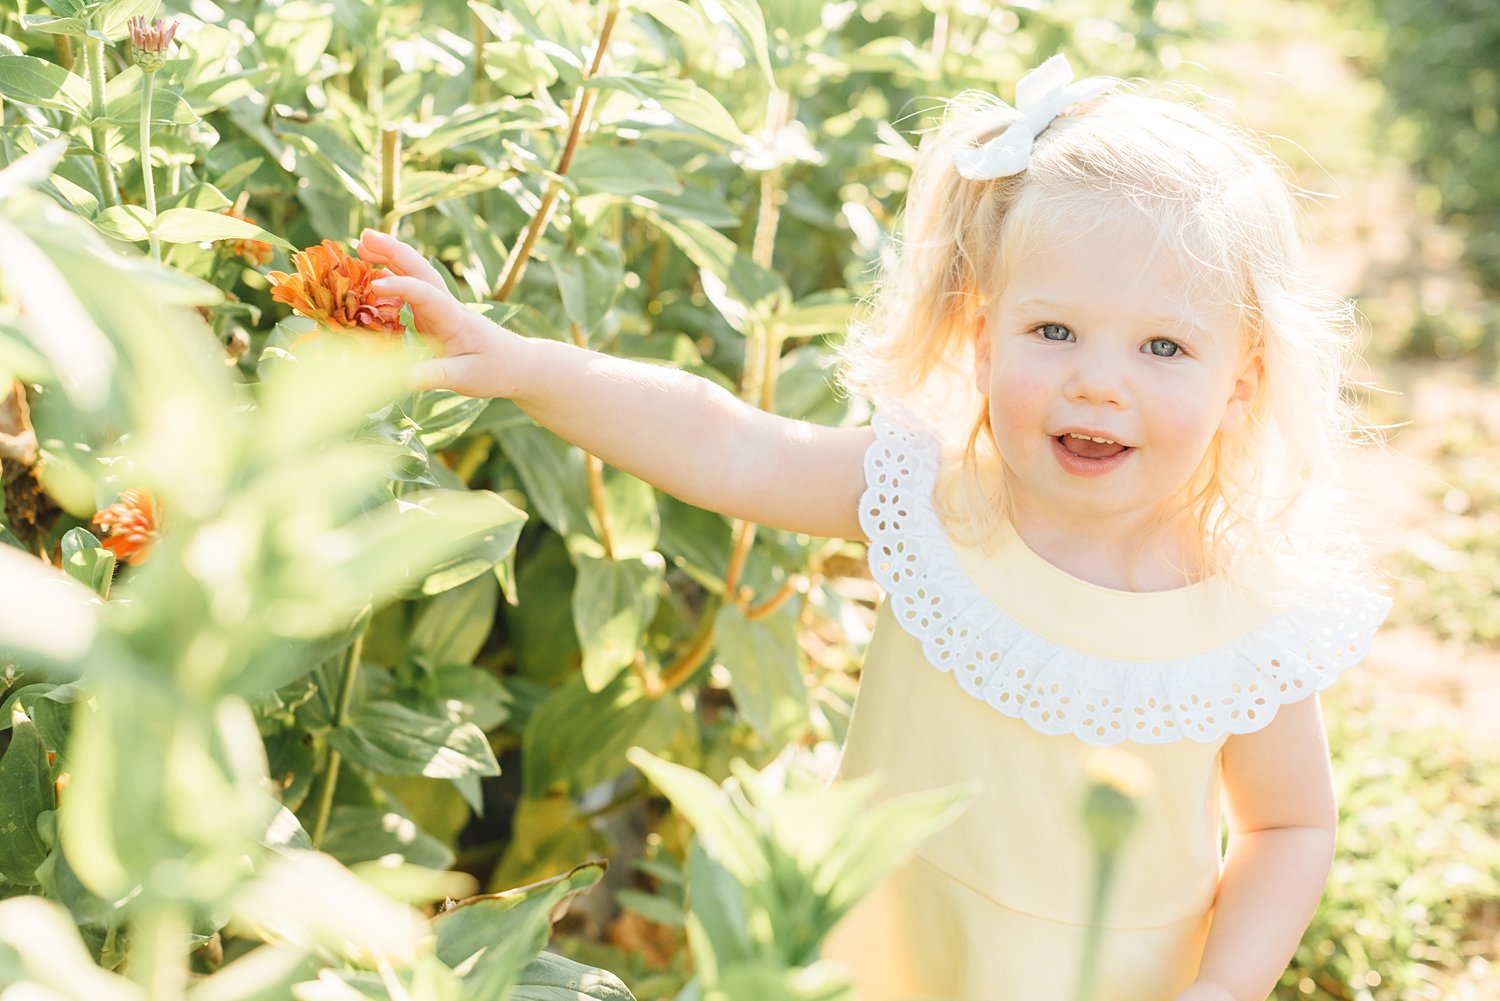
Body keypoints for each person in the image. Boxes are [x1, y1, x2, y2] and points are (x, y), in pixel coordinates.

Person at [356, 54, 1390, 1001]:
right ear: (984, 341)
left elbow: (1288, 824)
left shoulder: (1238, 608)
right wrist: (524, 365)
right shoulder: (935, 500)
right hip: (887, 954)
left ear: (1240, 386)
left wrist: (1220, 989)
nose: (1098, 380)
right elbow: (730, 444)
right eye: (1055, 329)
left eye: (1163, 346)